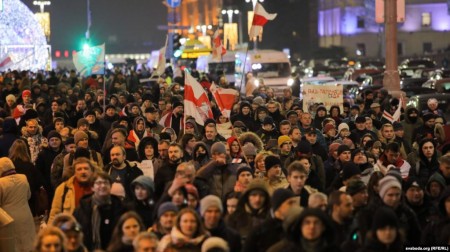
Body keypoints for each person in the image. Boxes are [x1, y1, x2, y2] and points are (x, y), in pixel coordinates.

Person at [73, 172, 125, 250]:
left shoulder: (119, 207)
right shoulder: (82, 208)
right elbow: (75, 229)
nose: (103, 186)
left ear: (110, 186)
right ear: (92, 187)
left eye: (106, 183)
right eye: (99, 183)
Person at [0, 157, 36, 252]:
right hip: (26, 215)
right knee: (28, 242)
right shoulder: (23, 177)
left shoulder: (1, 183)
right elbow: (28, 195)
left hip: (9, 218)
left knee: (14, 245)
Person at [268, 208, 340, 252]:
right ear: (300, 226)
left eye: (316, 222)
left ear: (323, 227)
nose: (312, 227)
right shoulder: (287, 249)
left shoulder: (333, 250)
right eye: (307, 223)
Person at [48, 158, 96, 224]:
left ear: (91, 171)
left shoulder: (99, 187)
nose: (83, 171)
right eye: (79, 169)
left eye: (86, 168)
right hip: (71, 230)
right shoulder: (63, 188)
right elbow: (54, 214)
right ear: (75, 173)